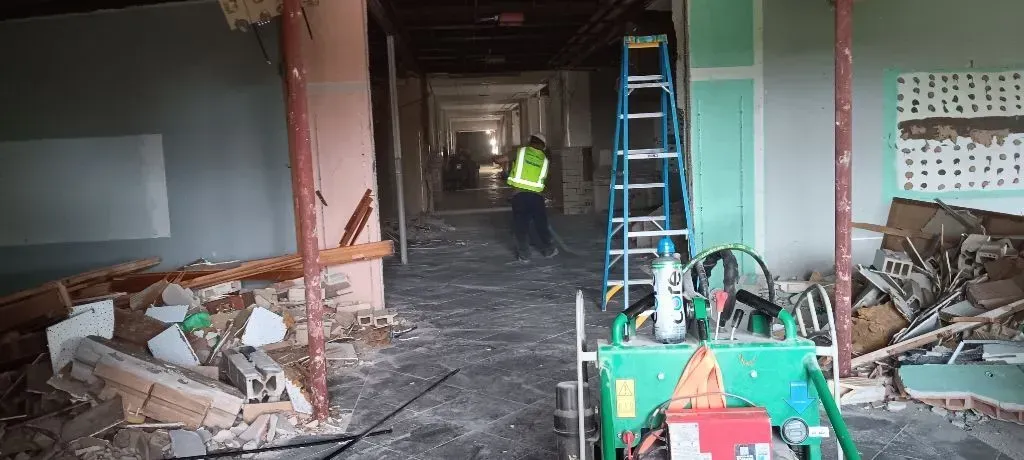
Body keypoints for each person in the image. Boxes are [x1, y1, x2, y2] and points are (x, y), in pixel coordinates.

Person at [501, 133, 558, 262]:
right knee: (541, 224)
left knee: (520, 225)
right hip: (537, 196)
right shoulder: (544, 159)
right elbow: (546, 179)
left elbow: (501, 159)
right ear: (542, 145)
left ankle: (524, 255)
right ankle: (549, 249)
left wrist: (495, 159)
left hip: (519, 195)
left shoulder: (520, 152)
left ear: (530, 141)